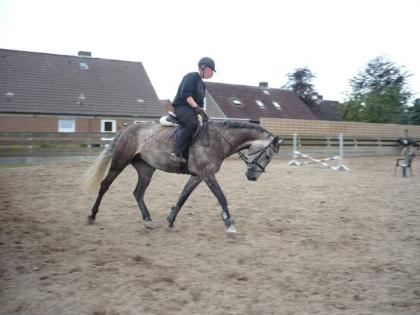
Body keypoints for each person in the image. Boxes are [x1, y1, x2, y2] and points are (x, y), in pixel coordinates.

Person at [169, 57, 215, 163]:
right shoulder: (191, 77)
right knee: (192, 123)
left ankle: (188, 157)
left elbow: (201, 103)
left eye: (211, 71)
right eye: (209, 70)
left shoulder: (202, 85)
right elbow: (186, 95)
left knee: (204, 126)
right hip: (181, 107)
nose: (210, 73)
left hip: (192, 109)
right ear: (202, 68)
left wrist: (203, 113)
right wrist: (196, 107)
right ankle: (175, 153)